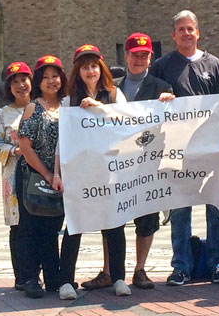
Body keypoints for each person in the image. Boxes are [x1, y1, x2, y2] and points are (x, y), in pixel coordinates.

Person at [80, 32, 174, 291]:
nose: (139, 60)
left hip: (146, 162)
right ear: (127, 55)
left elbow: (172, 122)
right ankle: (109, 271)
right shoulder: (111, 87)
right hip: (115, 162)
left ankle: (140, 269)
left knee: (147, 218)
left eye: (144, 56)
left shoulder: (161, 87)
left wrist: (170, 103)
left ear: (150, 58)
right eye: (135, 55)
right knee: (111, 218)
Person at [150, 10, 219, 286]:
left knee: (216, 205)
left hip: (210, 148)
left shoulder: (215, 65)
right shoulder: (162, 66)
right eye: (181, 29)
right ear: (174, 35)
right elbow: (150, 105)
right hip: (175, 147)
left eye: (190, 29)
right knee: (180, 207)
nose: (186, 33)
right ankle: (181, 266)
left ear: (198, 32)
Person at [52, 44, 131, 298]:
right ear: (78, 70)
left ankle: (118, 277)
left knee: (114, 223)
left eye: (94, 66)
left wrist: (99, 107)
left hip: (110, 169)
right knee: (75, 224)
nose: (90, 71)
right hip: (79, 171)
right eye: (85, 67)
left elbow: (127, 123)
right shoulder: (68, 100)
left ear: (101, 68)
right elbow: (61, 140)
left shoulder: (115, 93)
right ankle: (66, 281)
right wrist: (56, 172)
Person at [16, 55, 67, 299]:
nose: (51, 81)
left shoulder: (68, 106)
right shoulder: (33, 107)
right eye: (45, 77)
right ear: (38, 82)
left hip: (59, 178)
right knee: (31, 227)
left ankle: (53, 278)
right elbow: (25, 146)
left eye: (55, 76)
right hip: (33, 175)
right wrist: (46, 173)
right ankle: (29, 278)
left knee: (52, 226)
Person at [0, 61, 32, 291]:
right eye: (14, 82)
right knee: (17, 225)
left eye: (23, 80)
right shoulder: (3, 114)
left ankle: (38, 271)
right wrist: (15, 151)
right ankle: (21, 276)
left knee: (38, 223)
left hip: (39, 174)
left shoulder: (41, 107)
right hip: (13, 174)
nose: (20, 85)